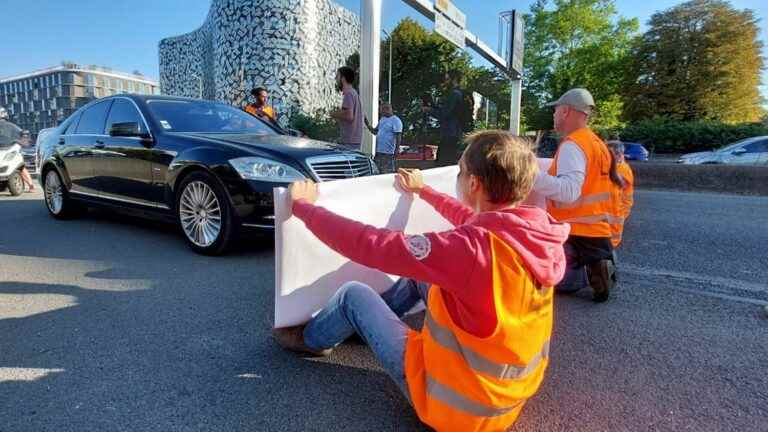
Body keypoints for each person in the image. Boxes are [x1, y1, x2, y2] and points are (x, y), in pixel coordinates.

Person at [273, 130, 569, 431]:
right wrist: (424, 191)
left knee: (353, 296)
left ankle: (310, 340)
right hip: (504, 400)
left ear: (473, 183)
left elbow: (372, 245)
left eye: (461, 171)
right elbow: (473, 219)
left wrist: (303, 207)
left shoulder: (470, 251)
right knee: (422, 280)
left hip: (455, 408)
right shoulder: (537, 233)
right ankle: (362, 327)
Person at [533, 88, 624, 302]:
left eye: (555, 110)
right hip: (597, 230)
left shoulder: (573, 145)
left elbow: (568, 192)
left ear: (565, 111)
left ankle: (584, 271)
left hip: (575, 229)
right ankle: (598, 263)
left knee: (543, 276)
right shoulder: (596, 143)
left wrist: (529, 175)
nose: (553, 115)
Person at [422, 70, 465, 167]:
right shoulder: (458, 93)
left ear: (453, 80)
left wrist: (429, 110)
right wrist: (432, 105)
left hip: (450, 133)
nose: (445, 82)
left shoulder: (455, 94)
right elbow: (447, 111)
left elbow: (444, 114)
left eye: (447, 79)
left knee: (443, 164)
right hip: (453, 133)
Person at [606, 141, 634, 248]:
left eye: (608, 154)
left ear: (618, 154)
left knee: (612, 237)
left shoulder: (623, 169)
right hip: (615, 208)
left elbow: (616, 182)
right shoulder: (618, 166)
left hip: (619, 209)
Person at [329, 66, 363, 151]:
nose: (336, 79)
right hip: (353, 140)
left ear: (343, 79)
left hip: (349, 141)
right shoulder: (353, 93)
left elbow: (349, 116)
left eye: (337, 76)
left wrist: (333, 113)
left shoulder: (349, 94)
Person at [364, 103, 403, 173]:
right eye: (381, 109)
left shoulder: (396, 120)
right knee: (377, 171)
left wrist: (396, 150)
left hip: (388, 153)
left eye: (383, 109)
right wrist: (367, 124)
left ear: (388, 109)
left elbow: (398, 136)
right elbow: (375, 131)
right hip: (379, 152)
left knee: (387, 172)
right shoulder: (382, 119)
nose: (381, 111)